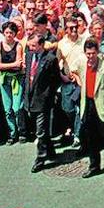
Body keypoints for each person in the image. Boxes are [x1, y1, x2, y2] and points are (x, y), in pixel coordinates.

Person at [73, 37, 104, 177]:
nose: (90, 56)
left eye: (93, 53)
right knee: (90, 137)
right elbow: (72, 70)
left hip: (102, 105)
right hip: (87, 104)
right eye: (88, 53)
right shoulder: (81, 63)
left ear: (97, 52)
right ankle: (94, 166)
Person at [24, 33, 59, 173]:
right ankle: (50, 150)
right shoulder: (29, 56)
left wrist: (49, 96)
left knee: (40, 131)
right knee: (41, 129)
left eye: (33, 45)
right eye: (29, 45)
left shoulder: (50, 59)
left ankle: (40, 158)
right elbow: (27, 76)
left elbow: (55, 80)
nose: (31, 48)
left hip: (43, 99)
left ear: (41, 45)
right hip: (30, 97)